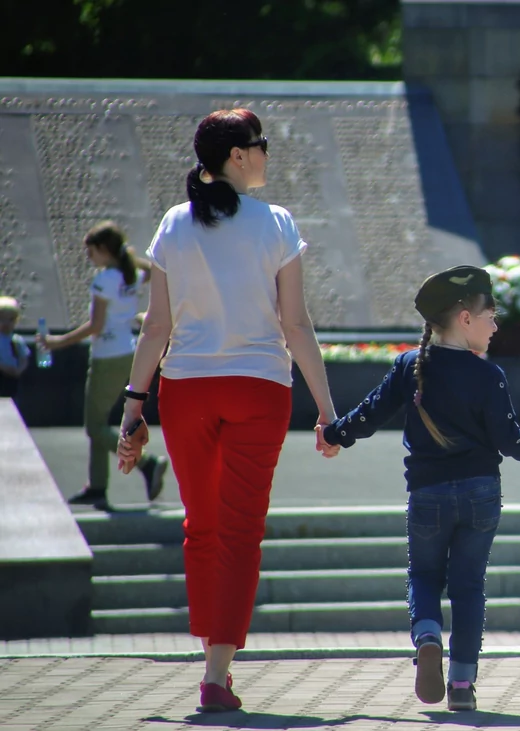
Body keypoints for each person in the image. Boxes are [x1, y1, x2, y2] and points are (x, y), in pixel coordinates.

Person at [115, 109, 338, 714]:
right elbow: (295, 323)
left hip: (185, 388)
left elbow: (156, 326)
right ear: (238, 156)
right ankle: (217, 671)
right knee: (240, 532)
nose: (266, 154)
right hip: (258, 388)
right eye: (260, 145)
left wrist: (133, 407)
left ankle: (209, 663)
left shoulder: (172, 224)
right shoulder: (278, 224)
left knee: (201, 525)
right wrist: (326, 409)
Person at [319, 265, 520, 712]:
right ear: (465, 318)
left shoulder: (411, 366)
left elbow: (371, 413)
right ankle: (462, 685)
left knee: (424, 576)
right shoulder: (489, 375)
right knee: (468, 586)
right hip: (481, 495)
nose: (496, 323)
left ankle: (426, 634)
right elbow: (509, 441)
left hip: (427, 494)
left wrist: (334, 436)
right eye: (491, 314)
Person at [40, 222, 168, 509]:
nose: (89, 258)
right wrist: (128, 257)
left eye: (91, 252)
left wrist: (59, 341)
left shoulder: (104, 280)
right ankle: (97, 486)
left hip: (106, 356)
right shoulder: (130, 274)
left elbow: (96, 326)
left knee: (95, 427)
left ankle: (146, 464)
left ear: (102, 250)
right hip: (126, 352)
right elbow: (155, 268)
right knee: (97, 423)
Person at [0, 296, 31, 399]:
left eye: (11, 320)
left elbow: (23, 358)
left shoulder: (16, 340)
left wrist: (19, 370)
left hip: (12, 377)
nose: (6, 323)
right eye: (2, 319)